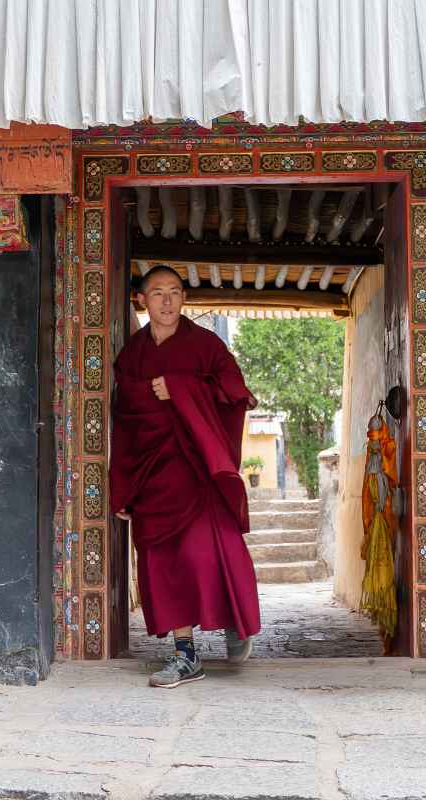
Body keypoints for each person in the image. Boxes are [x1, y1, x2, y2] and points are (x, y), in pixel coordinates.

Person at [109, 265, 261, 688]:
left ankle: (233, 617)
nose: (167, 301)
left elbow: (235, 391)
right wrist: (122, 486)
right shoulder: (132, 355)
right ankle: (184, 654)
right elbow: (124, 421)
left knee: (211, 552)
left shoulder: (205, 345)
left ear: (184, 299)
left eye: (175, 292)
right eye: (157, 293)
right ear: (142, 299)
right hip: (152, 477)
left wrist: (179, 386)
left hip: (198, 472)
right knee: (163, 564)